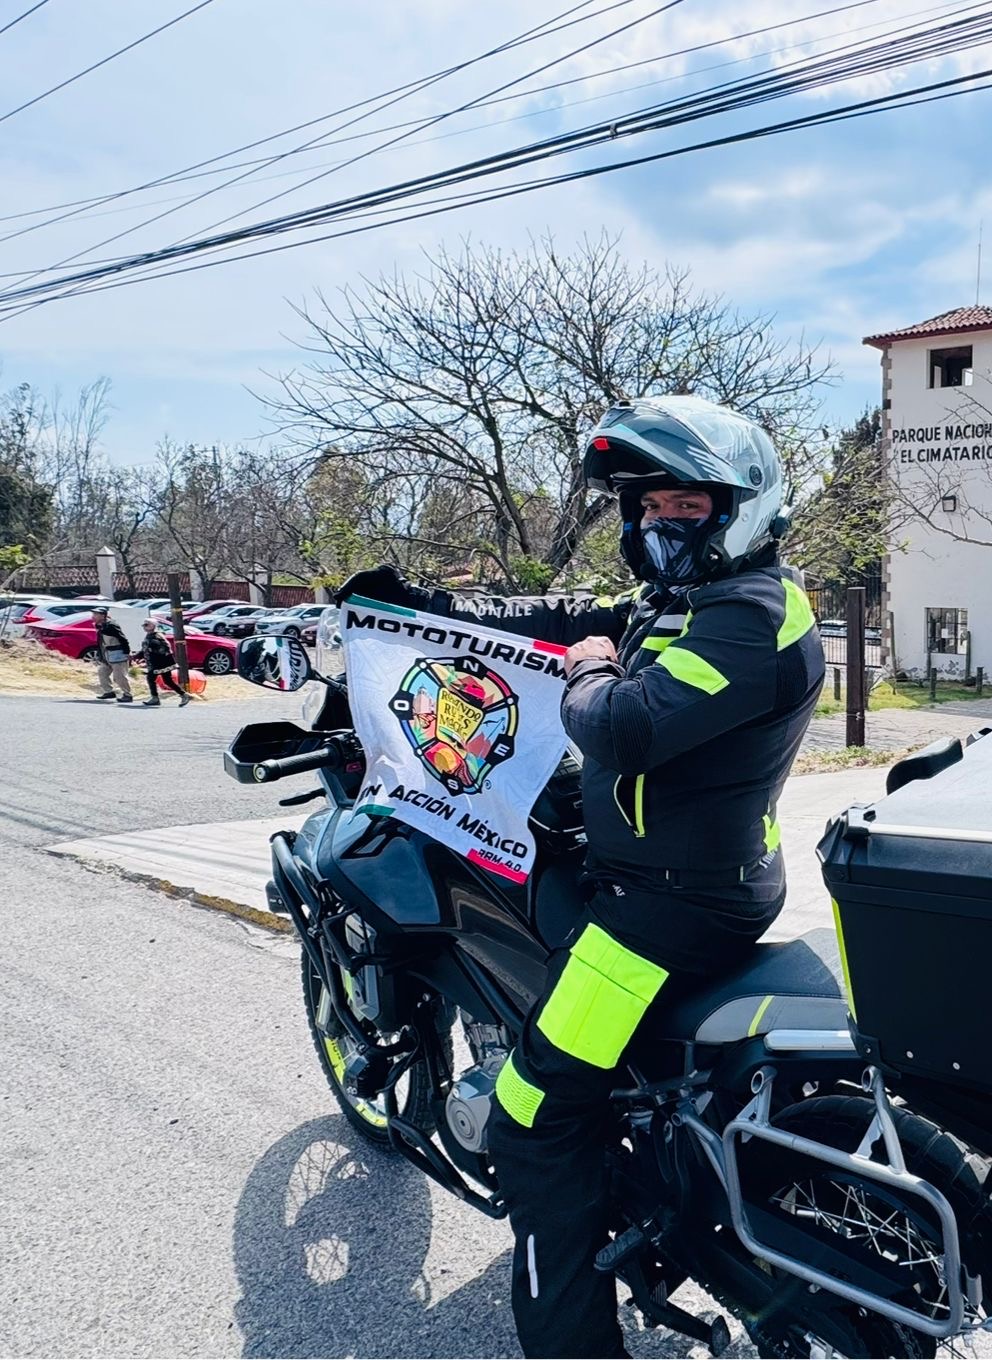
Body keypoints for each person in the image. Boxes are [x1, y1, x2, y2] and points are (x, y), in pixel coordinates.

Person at [339, 396, 824, 1357]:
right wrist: (426, 607)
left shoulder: (754, 616)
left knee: (530, 1125)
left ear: (744, 506)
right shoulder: (697, 601)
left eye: (684, 507)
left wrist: (589, 669)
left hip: (662, 915)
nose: (658, 527)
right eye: (645, 511)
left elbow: (622, 726)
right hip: (686, 876)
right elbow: (567, 616)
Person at [134, 618, 190, 707]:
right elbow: (145, 650)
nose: (144, 626)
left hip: (160, 662)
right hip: (154, 662)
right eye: (144, 625)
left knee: (151, 678)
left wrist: (153, 648)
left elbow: (164, 649)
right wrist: (136, 656)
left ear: (153, 626)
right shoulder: (150, 636)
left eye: (147, 624)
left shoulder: (157, 636)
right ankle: (184, 695)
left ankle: (155, 698)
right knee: (167, 680)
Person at [91, 606, 134, 703]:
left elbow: (123, 639)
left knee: (119, 676)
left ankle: (127, 694)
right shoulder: (100, 625)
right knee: (102, 672)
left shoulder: (111, 625)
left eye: (96, 614)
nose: (93, 616)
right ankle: (109, 692)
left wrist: (127, 652)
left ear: (103, 616)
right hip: (106, 654)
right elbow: (100, 642)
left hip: (117, 653)